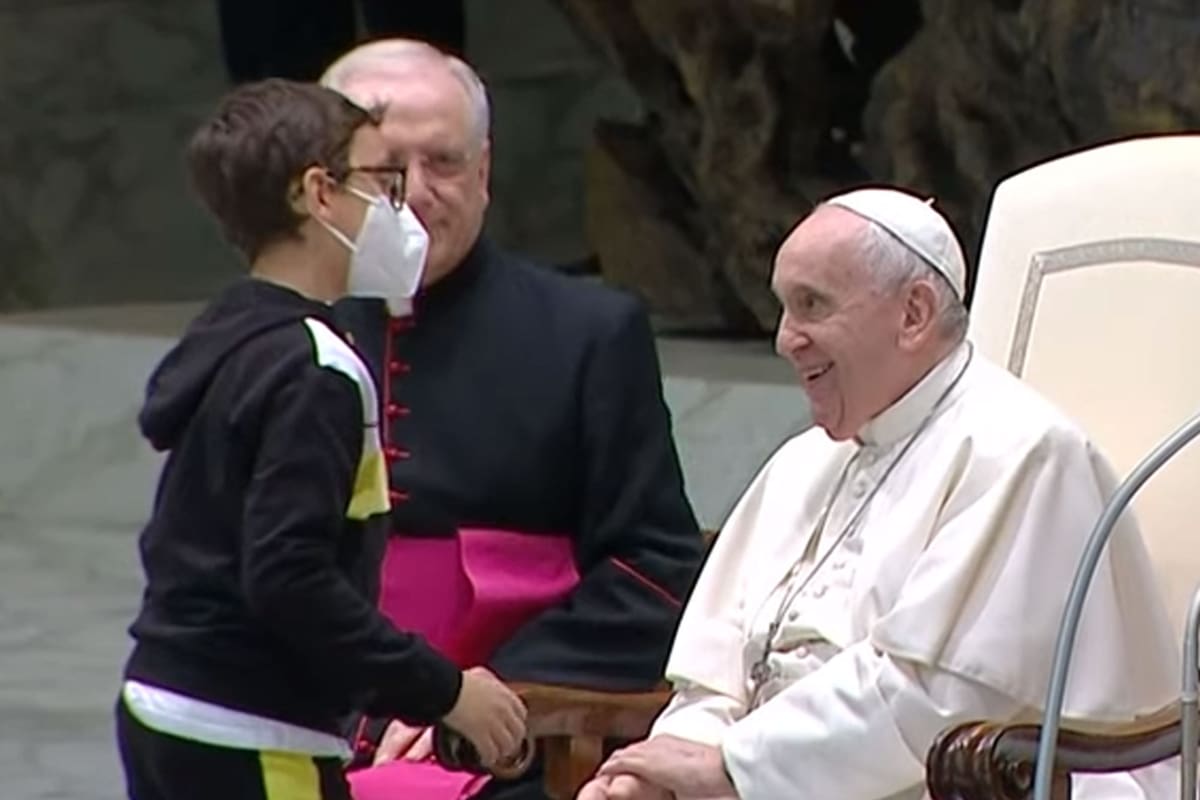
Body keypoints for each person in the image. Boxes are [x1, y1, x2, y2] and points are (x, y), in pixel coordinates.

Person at [578, 188, 1179, 800]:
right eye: (783, 308)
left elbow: (931, 702)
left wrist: (730, 770)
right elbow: (715, 681)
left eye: (811, 305)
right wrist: (654, 777)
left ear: (913, 314)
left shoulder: (1021, 454)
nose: (786, 339)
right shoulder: (804, 462)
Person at [114, 78, 525, 800]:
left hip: (165, 703)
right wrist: (445, 690)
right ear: (319, 193)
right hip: (253, 730)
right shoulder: (317, 367)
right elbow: (290, 579)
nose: (399, 207)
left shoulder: (231, 334)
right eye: (381, 181)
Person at [316, 39, 705, 796]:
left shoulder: (587, 333)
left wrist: (488, 692)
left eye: (447, 163)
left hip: (498, 735)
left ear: (486, 173)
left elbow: (651, 570)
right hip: (304, 708)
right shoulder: (281, 331)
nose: (420, 192)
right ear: (325, 182)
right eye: (387, 168)